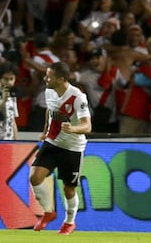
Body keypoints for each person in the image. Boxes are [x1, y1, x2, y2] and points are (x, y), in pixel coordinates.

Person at [29, 61, 91, 235]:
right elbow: (50, 110)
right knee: (34, 177)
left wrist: (73, 128)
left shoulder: (78, 97)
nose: (45, 78)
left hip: (72, 147)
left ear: (61, 79)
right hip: (52, 142)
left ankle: (69, 222)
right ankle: (49, 212)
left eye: (49, 76)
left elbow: (87, 126)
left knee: (68, 188)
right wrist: (45, 130)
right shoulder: (49, 92)